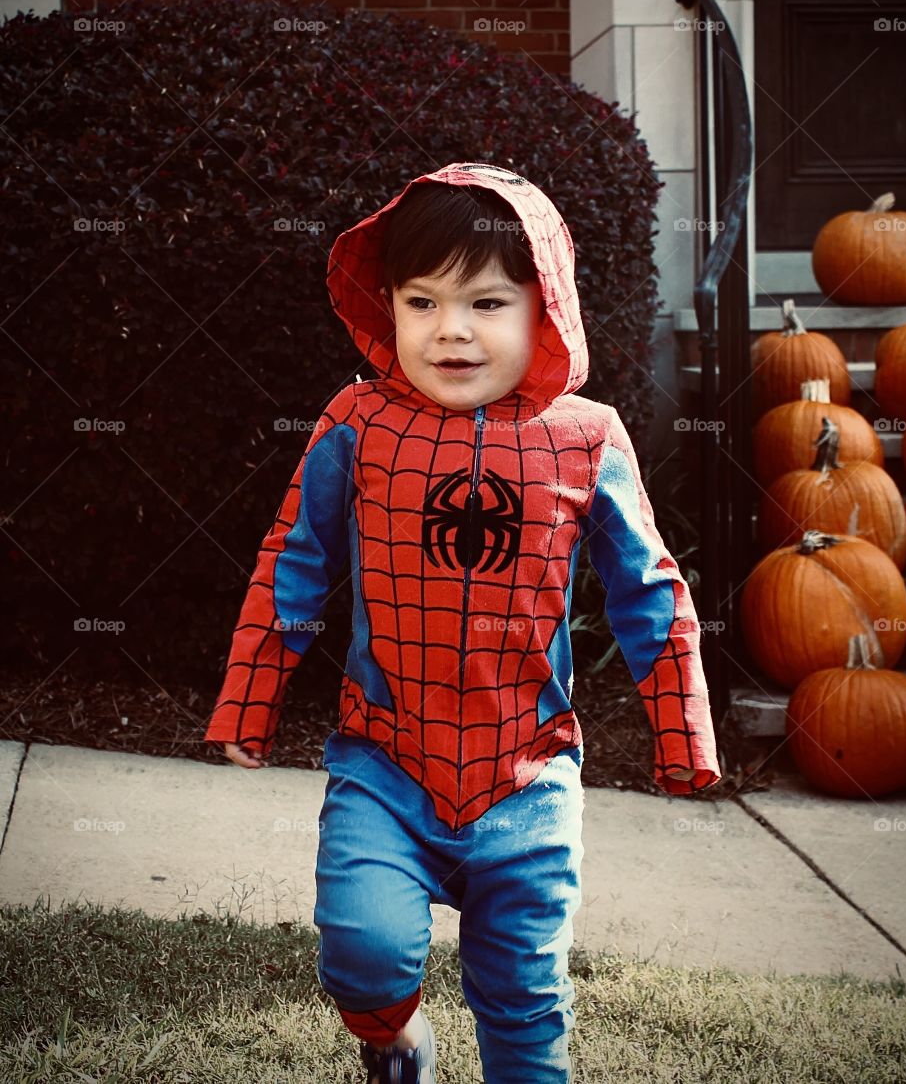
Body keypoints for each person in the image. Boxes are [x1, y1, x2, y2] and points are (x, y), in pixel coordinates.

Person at [203, 162, 722, 1083]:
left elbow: (651, 590)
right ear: (389, 308)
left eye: (486, 302)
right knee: (362, 951)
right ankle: (399, 1043)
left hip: (528, 775)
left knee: (524, 999)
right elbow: (295, 562)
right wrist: (249, 703)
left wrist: (682, 731)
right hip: (384, 760)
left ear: (543, 308)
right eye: (422, 301)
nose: (451, 329)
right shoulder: (356, 424)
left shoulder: (587, 437)